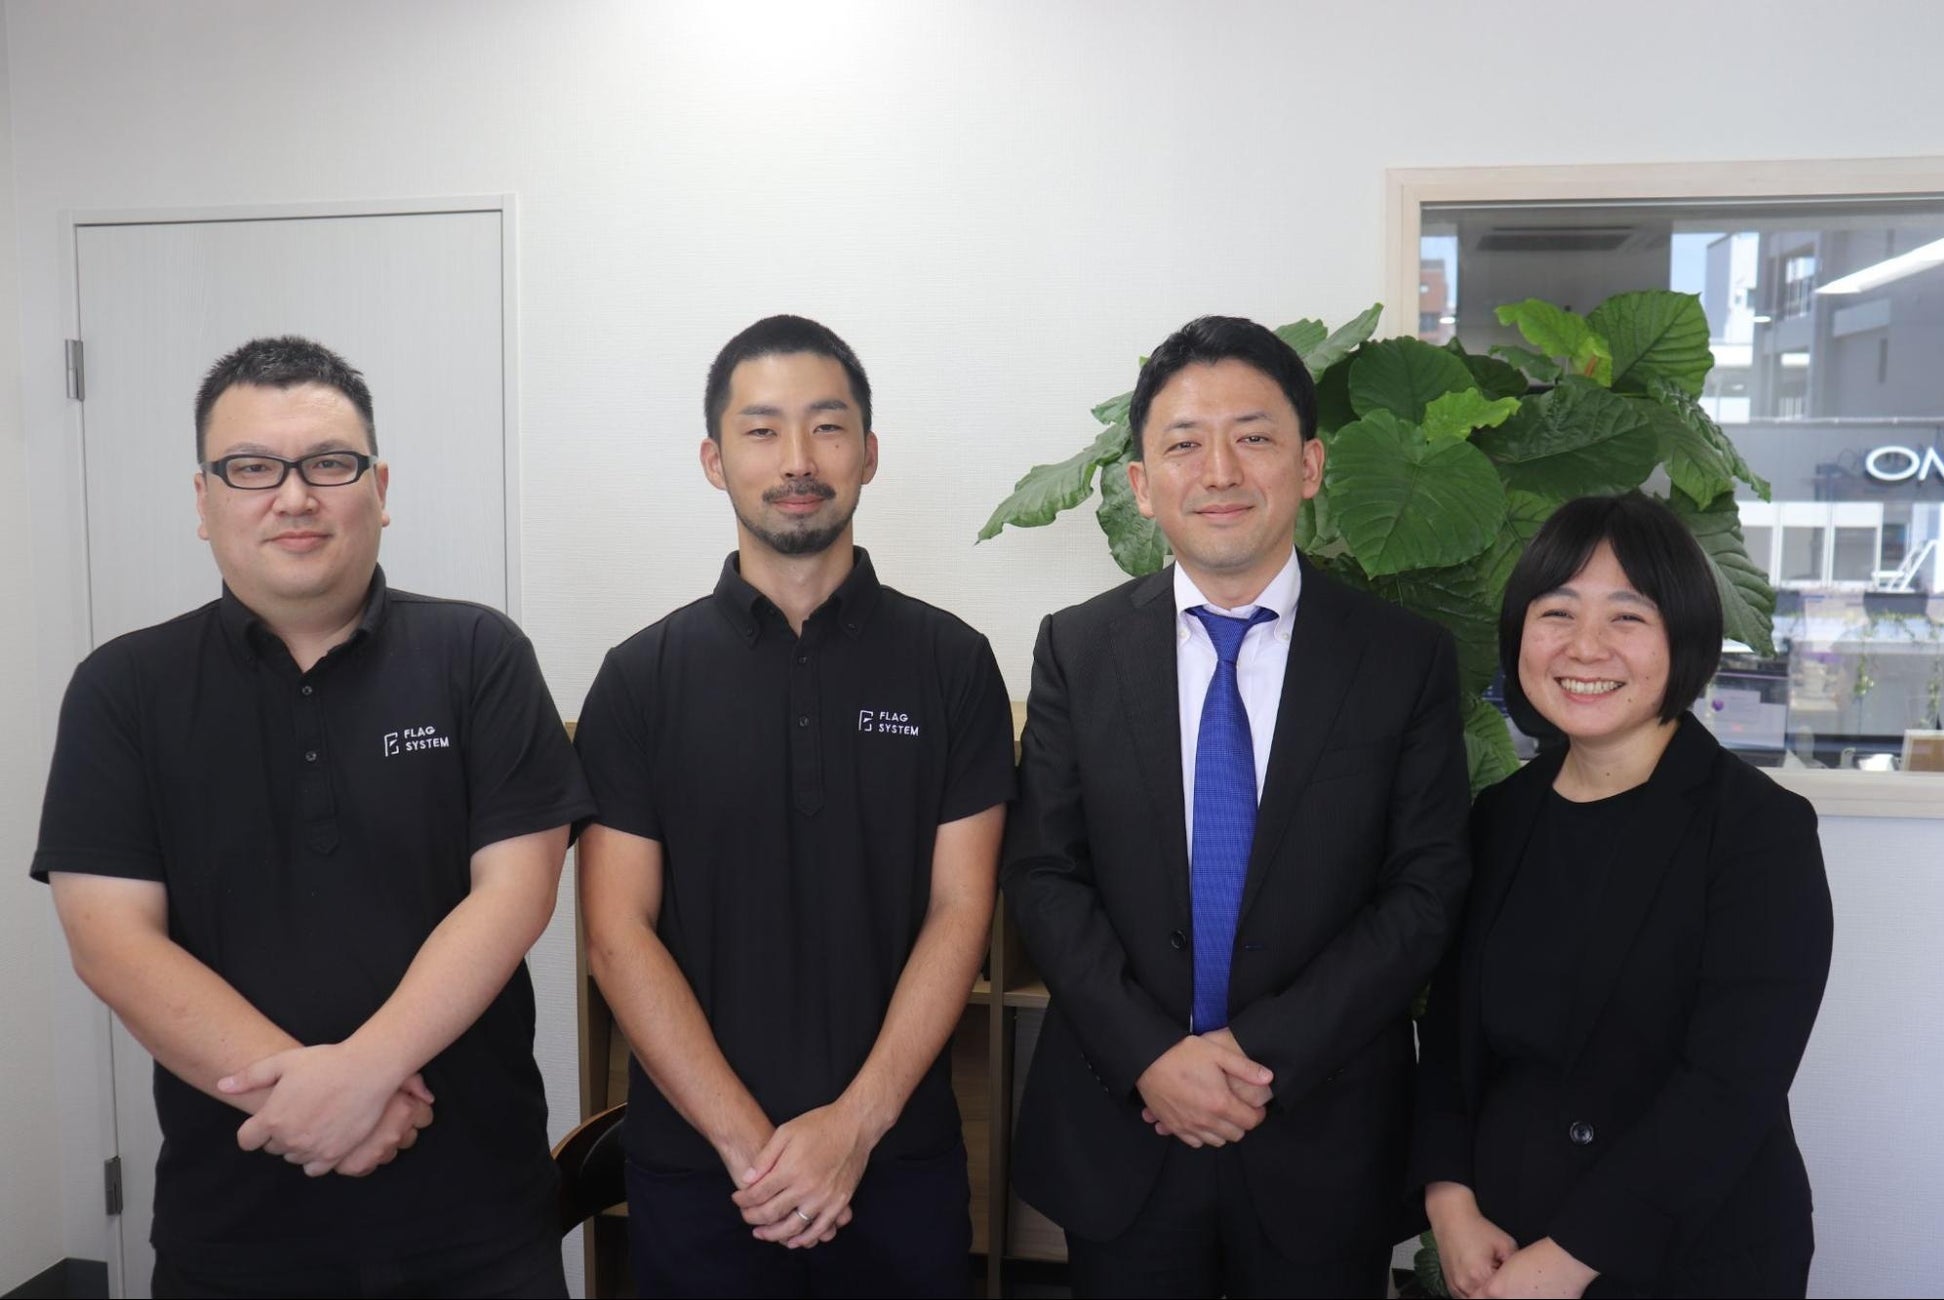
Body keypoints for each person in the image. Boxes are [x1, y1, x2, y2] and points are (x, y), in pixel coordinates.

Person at [32, 336, 594, 1296]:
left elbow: (517, 892)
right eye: (252, 468)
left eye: (329, 464)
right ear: (203, 500)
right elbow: (111, 942)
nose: (294, 497)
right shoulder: (121, 688)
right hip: (232, 1226)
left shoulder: (478, 654)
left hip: (479, 1217)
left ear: (380, 488)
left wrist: (365, 1072)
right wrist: (319, 1106)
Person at [1002, 315, 1473, 1297]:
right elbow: (1045, 874)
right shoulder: (1078, 652)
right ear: (1142, 485)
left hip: (1322, 1131)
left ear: (1310, 466)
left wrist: (1256, 1055)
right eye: (1184, 445)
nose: (1219, 471)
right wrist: (1152, 1056)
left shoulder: (1403, 658)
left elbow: (1424, 889)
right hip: (1126, 1124)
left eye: (1253, 437)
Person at [575, 315, 1013, 1298]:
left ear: (868, 453)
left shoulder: (952, 664)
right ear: (714, 460)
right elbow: (615, 933)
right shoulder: (641, 678)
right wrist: (751, 1147)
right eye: (762, 430)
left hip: (898, 1161)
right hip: (702, 1174)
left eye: (827, 427)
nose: (798, 460)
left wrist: (853, 1127)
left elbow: (961, 910)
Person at [1412, 493, 1833, 1299]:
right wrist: (1449, 1201)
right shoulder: (1499, 817)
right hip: (1501, 1245)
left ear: (1685, 637)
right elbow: (1450, 1041)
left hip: (1689, 1254)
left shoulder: (1760, 831)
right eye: (1556, 612)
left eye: (1627, 617)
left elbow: (1731, 1084)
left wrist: (1568, 1260)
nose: (1585, 647)